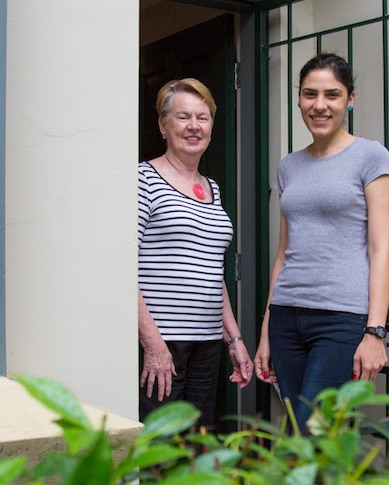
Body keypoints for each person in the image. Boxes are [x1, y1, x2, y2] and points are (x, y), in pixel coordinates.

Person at [253, 53, 389, 432]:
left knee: (314, 437)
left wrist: (375, 332)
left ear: (350, 99)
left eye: (332, 95)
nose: (320, 105)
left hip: (341, 319)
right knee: (301, 434)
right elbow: (284, 253)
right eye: (309, 94)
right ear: (298, 99)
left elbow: (381, 250)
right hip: (286, 317)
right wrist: (267, 330)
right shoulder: (289, 166)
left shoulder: (370, 156)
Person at [138, 78, 253, 427]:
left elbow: (210, 272)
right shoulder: (144, 179)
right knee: (161, 451)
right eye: (183, 117)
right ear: (162, 125)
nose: (193, 127)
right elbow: (118, 269)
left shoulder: (213, 188)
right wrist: (153, 345)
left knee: (196, 446)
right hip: (163, 343)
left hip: (206, 344)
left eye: (202, 118)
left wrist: (233, 339)